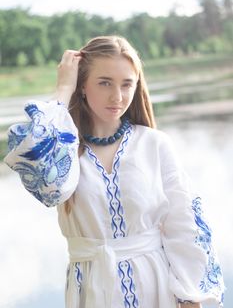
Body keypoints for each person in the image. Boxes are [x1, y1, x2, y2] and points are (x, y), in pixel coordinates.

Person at [4, 35, 225, 308]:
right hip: (91, 285)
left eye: (127, 84)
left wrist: (191, 296)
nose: (117, 97)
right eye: (104, 82)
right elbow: (48, 187)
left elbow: (185, 223)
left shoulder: (154, 144)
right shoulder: (65, 150)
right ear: (82, 85)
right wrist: (63, 89)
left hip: (154, 284)